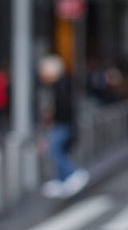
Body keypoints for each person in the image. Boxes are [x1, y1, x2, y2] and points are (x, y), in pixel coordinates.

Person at [38, 54, 88, 198]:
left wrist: (52, 118)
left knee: (54, 150)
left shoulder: (60, 86)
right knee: (58, 150)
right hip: (62, 124)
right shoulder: (57, 85)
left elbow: (62, 108)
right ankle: (61, 181)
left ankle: (73, 173)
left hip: (62, 124)